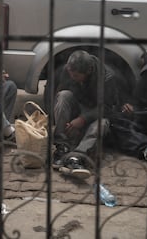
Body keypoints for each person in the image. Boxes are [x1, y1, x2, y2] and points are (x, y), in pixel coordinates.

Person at [51, 50, 121, 179]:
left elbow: (107, 108)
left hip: (96, 114)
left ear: (89, 71)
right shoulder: (68, 70)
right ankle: (62, 146)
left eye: (76, 76)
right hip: (77, 107)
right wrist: (67, 120)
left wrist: (83, 119)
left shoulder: (107, 77)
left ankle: (76, 157)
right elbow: (60, 92)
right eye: (71, 74)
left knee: (101, 124)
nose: (73, 78)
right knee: (63, 96)